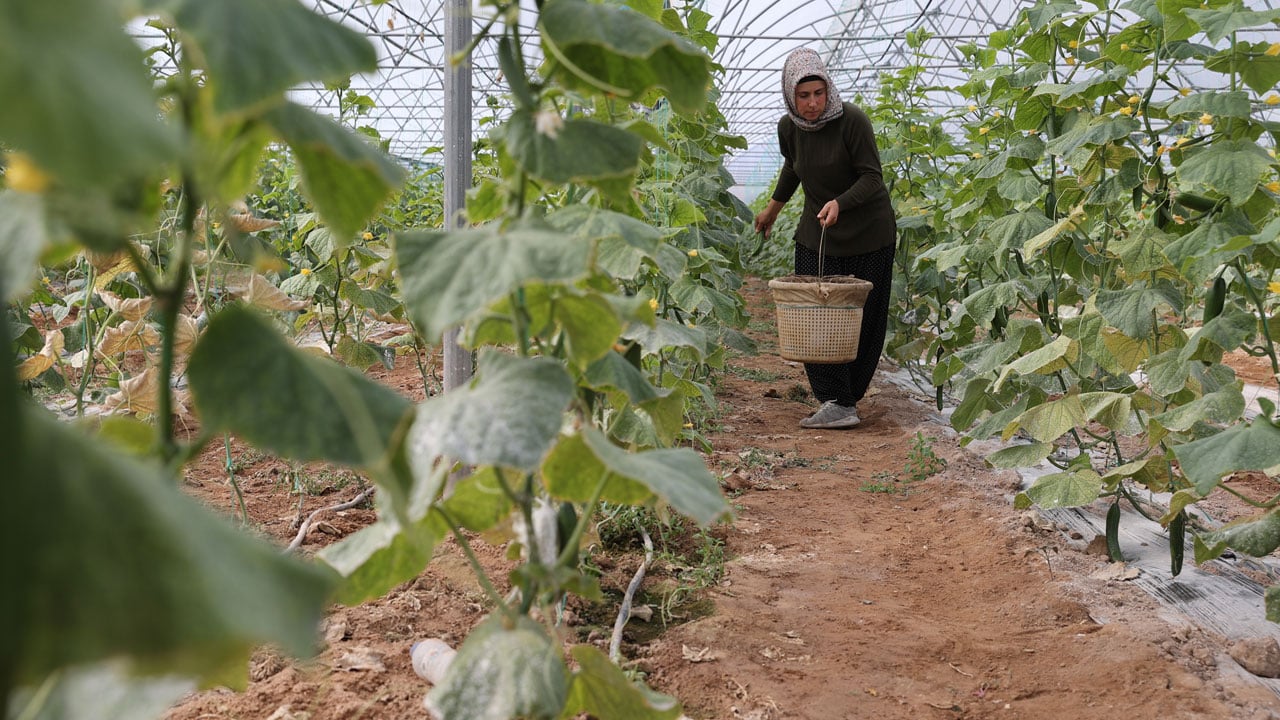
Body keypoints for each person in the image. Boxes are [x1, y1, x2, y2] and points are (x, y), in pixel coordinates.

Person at [753, 47, 897, 430]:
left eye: (818, 93)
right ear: (790, 95)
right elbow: (793, 168)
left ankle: (847, 399)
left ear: (828, 89)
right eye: (803, 96)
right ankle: (835, 399)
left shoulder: (852, 121)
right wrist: (773, 208)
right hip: (818, 231)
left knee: (862, 319)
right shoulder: (789, 128)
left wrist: (840, 202)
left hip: (869, 232)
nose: (813, 103)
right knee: (812, 314)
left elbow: (871, 177)